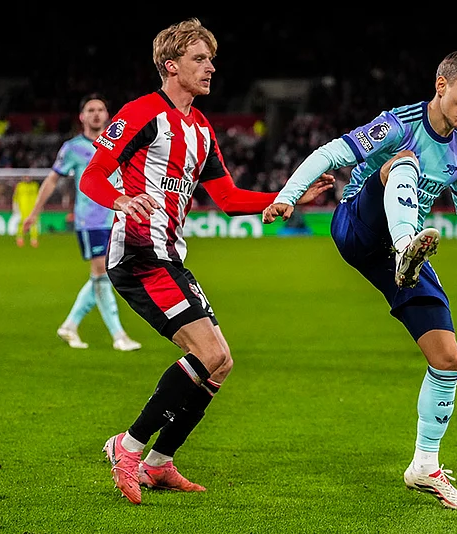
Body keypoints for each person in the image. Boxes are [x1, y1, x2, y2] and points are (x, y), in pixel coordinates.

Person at [262, 49, 457, 511]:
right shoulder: (398, 123)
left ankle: (424, 466)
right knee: (400, 162)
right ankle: (407, 246)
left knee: (448, 358)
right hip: (357, 226)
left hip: (402, 251)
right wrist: (288, 195)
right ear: (441, 84)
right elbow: (332, 152)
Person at [78, 18, 333, 505]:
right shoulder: (140, 113)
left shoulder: (200, 128)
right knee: (210, 355)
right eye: (199, 59)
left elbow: (228, 196)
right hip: (137, 255)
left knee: (222, 363)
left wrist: (288, 196)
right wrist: (120, 201)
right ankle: (127, 448)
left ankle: (159, 463)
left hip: (170, 256)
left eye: (210, 59)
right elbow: (93, 176)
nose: (210, 67)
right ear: (170, 66)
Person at [22, 94, 142, 352]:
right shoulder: (72, 148)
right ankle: (118, 335)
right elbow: (53, 180)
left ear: (108, 115)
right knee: (102, 275)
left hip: (116, 218)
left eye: (100, 109)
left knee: (102, 276)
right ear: (82, 116)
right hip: (90, 221)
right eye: (91, 110)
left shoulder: (116, 145)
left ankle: (70, 325)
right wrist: (34, 212)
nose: (96, 114)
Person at [13, 175, 40, 247]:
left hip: (33, 207)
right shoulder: (20, 185)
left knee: (34, 222)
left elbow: (38, 196)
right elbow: (15, 196)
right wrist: (15, 205)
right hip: (23, 207)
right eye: (26, 176)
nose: (28, 178)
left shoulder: (35, 185)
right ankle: (20, 238)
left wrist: (40, 206)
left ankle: (34, 239)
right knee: (22, 222)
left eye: (29, 176)